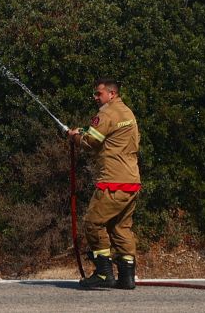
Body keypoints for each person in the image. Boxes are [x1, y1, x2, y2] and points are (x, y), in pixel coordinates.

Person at [63, 78, 140, 290]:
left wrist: (75, 137)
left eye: (99, 94)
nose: (95, 98)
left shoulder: (107, 113)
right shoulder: (127, 113)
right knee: (121, 227)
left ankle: (103, 273)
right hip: (131, 181)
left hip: (112, 182)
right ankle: (127, 278)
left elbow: (91, 142)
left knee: (93, 223)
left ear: (111, 94)